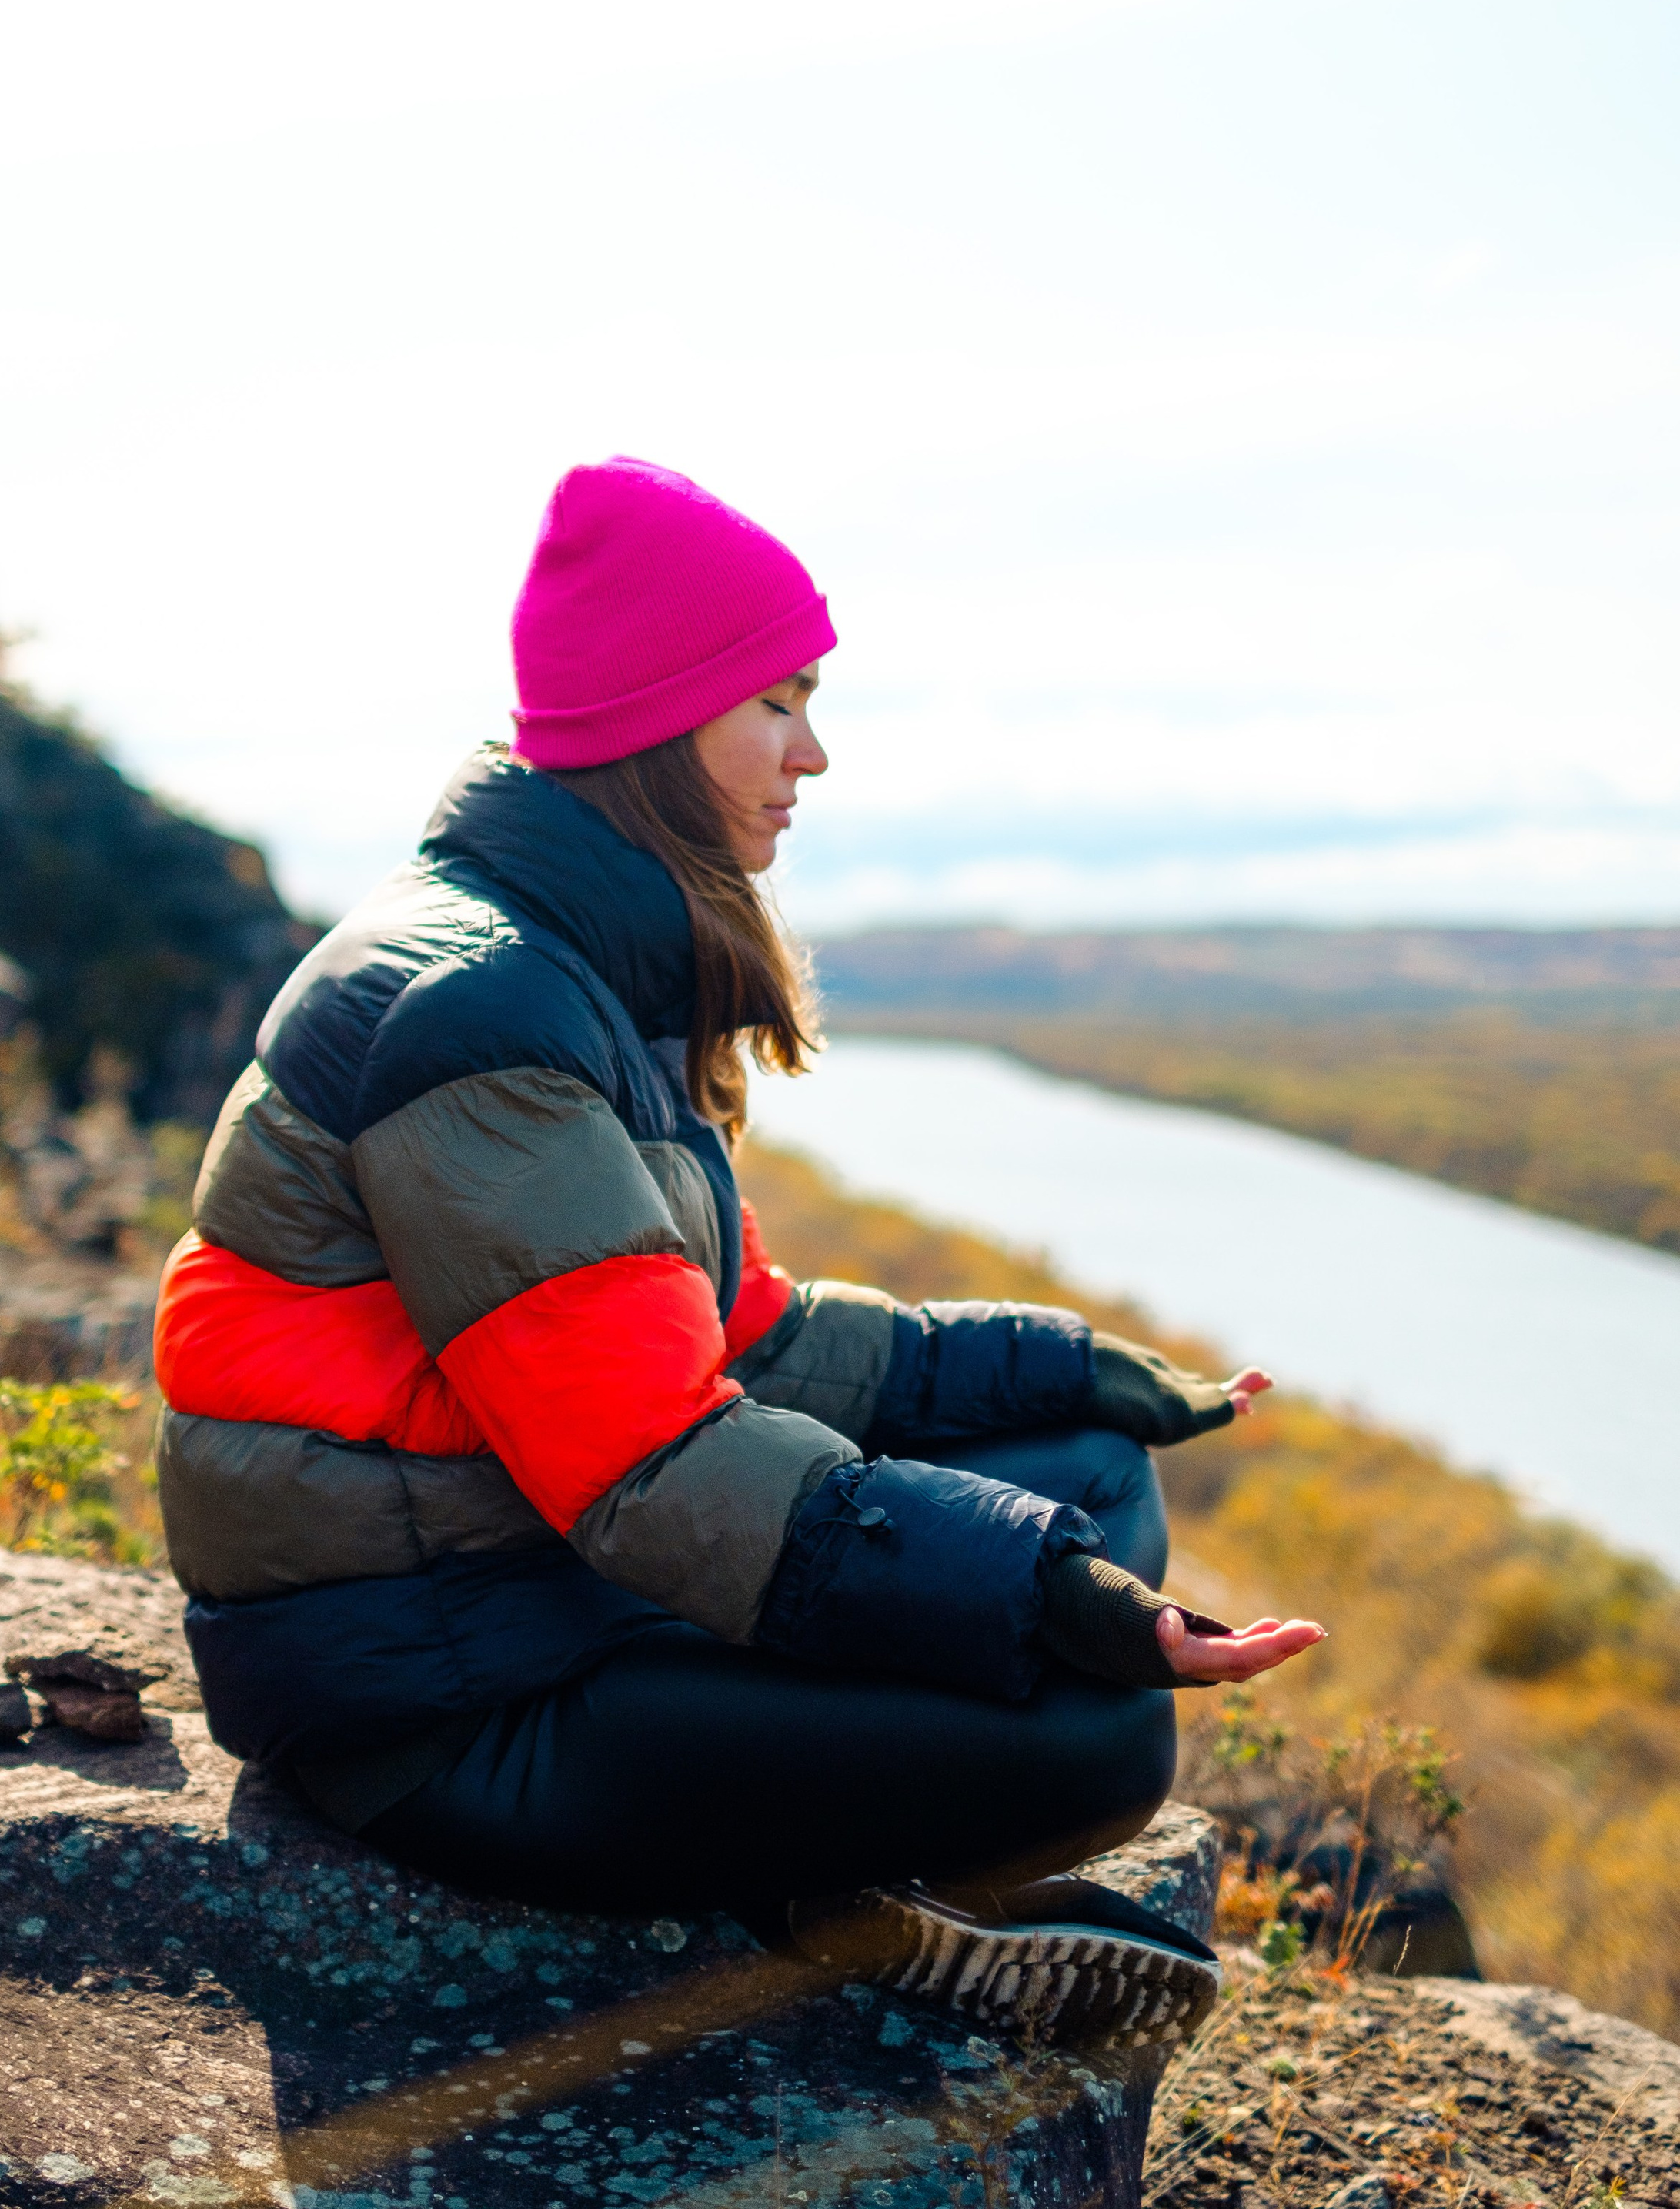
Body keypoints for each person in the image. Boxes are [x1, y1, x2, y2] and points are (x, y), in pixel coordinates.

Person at [156, 456, 1324, 2045]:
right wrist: (1042, 1586)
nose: (813, 752)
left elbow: (740, 1338)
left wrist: (1049, 1366)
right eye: (776, 701)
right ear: (655, 720)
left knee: (1096, 1469)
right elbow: (654, 1463)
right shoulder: (476, 1011)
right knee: (1101, 1736)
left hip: (540, 1586)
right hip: (435, 1704)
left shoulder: (572, 963)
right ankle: (831, 1899)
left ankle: (837, 1871)